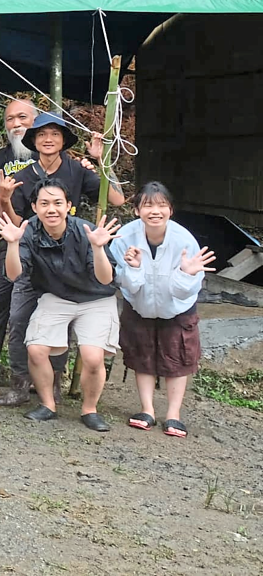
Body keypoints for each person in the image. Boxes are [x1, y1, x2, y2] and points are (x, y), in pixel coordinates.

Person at [0, 111, 125, 407]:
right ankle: (19, 384)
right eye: (41, 134)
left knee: (59, 326)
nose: (48, 139)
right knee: (18, 320)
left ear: (64, 140)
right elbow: (19, 224)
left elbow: (117, 199)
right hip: (33, 258)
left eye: (54, 134)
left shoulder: (77, 169)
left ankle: (52, 386)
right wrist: (4, 200)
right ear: (33, 141)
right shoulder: (23, 176)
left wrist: (101, 161)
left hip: (69, 262)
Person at [0, 179, 121, 431]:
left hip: (96, 297)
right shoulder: (29, 231)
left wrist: (98, 248)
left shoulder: (85, 230)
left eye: (57, 203)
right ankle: (47, 404)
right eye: (44, 203)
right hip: (57, 295)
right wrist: (12, 244)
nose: (51, 209)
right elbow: (14, 275)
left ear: (68, 206)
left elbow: (106, 279)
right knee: (36, 349)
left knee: (93, 357)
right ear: (34, 207)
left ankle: (90, 409)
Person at [110, 182, 213, 438]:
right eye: (148, 205)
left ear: (170, 210)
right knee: (142, 355)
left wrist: (186, 274)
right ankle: (147, 410)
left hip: (178, 308)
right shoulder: (125, 237)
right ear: (136, 210)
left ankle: (173, 415)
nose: (155, 211)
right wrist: (134, 268)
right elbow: (124, 283)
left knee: (177, 357)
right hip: (139, 305)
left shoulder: (184, 240)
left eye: (161, 205)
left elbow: (185, 291)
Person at [0, 97, 38, 386]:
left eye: (22, 117)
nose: (16, 124)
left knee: (29, 311)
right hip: (9, 243)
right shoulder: (0, 158)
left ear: (35, 121)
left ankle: (34, 377)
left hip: (42, 245)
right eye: (10, 119)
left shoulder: (47, 154)